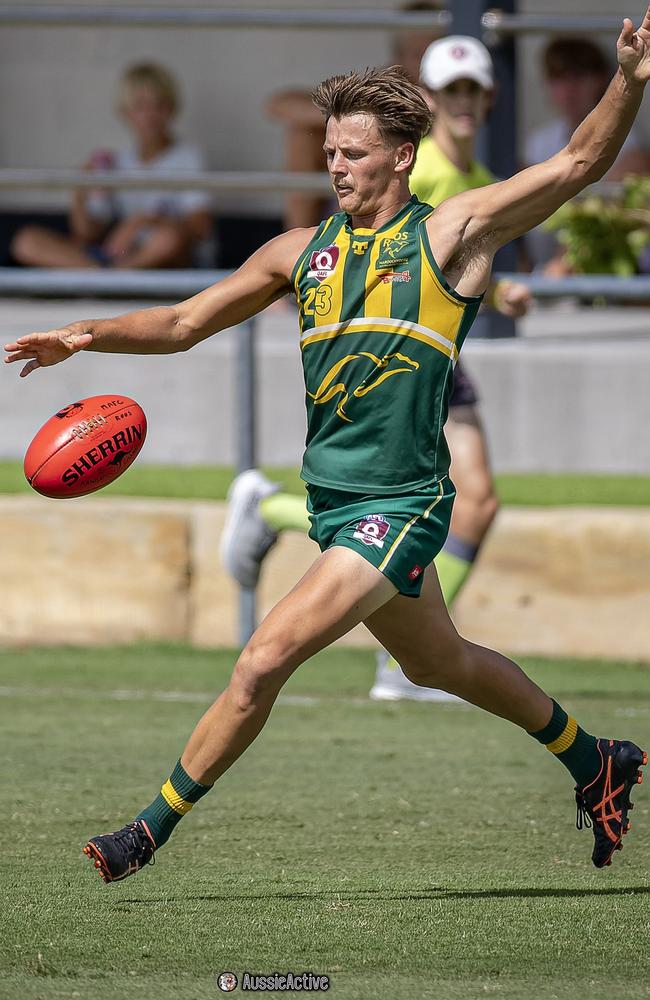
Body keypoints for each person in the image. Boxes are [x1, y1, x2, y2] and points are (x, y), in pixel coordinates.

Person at [6, 8, 650, 884]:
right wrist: (85, 333)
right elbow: (186, 321)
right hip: (336, 505)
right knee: (439, 660)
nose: (333, 164)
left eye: (351, 151)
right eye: (328, 150)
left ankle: (146, 830)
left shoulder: (449, 236)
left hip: (403, 506)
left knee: (262, 659)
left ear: (399, 155)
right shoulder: (296, 253)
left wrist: (630, 80)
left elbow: (578, 163)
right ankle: (592, 758)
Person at [221, 36, 531, 704]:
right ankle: (271, 505)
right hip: (406, 343)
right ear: (429, 102)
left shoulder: (467, 165)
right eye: (451, 93)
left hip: (433, 338)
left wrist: (499, 292)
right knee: (466, 495)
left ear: (490, 95)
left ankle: (411, 661)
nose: (465, 103)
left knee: (475, 503)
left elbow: (460, 261)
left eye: (474, 90)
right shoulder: (437, 174)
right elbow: (415, 248)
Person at [11, 63, 212, 270]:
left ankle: (113, 278)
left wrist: (141, 222)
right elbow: (88, 235)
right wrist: (80, 190)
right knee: (27, 241)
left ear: (171, 108)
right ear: (125, 112)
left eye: (158, 105)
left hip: (164, 258)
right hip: (121, 257)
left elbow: (200, 229)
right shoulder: (117, 161)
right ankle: (103, 277)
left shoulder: (187, 157)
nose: (150, 115)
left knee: (168, 238)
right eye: (140, 106)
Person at [267, 0, 446, 230]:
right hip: (360, 200)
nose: (424, 64)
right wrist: (346, 118)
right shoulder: (379, 90)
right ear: (398, 56)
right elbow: (278, 104)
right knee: (303, 135)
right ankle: (300, 247)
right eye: (417, 53)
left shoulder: (458, 99)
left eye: (431, 53)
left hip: (422, 208)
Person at [525, 37, 650, 272]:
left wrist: (561, 264)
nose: (568, 89)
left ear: (601, 80)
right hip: (548, 276)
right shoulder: (539, 142)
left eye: (579, 76)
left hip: (607, 281)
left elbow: (600, 221)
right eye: (558, 77)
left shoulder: (630, 144)